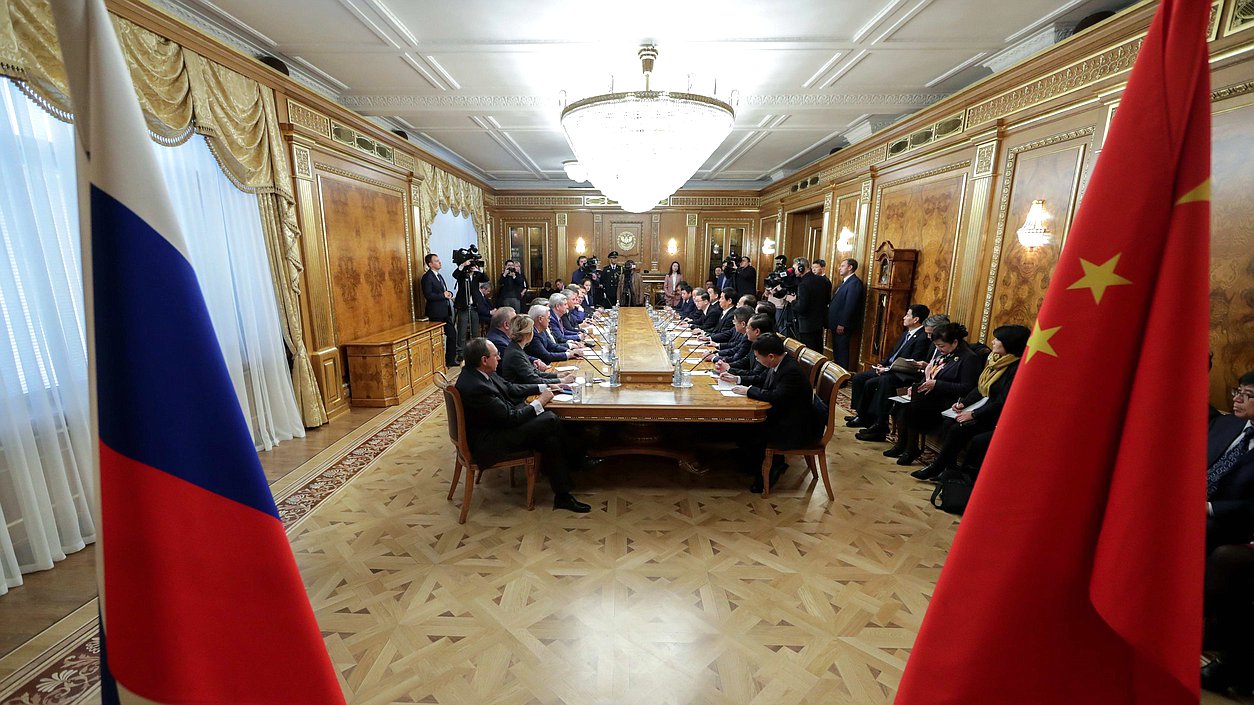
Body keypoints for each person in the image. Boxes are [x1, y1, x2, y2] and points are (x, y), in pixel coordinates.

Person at [454, 338, 599, 513]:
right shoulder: (476, 387)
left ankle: (564, 493)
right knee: (551, 419)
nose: (499, 358)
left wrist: (548, 386)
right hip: (490, 442)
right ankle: (577, 457)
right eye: (496, 355)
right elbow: (511, 418)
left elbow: (511, 388)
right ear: (484, 360)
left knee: (550, 438)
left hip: (499, 426)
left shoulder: (479, 372)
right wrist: (541, 402)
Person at [911, 324, 1030, 481]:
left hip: (996, 415)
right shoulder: (996, 361)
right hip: (982, 407)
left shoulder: (1016, 369)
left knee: (959, 429)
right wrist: (964, 404)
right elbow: (979, 388)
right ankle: (947, 468)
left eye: (997, 339)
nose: (993, 342)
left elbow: (1001, 401)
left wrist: (973, 414)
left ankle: (949, 471)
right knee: (949, 423)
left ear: (1009, 343)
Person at [729, 333, 824, 493]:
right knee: (741, 427)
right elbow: (761, 380)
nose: (757, 360)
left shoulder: (790, 371)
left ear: (771, 356)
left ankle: (771, 469)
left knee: (749, 428)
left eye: (758, 358)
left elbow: (776, 397)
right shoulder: (779, 364)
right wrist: (737, 379)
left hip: (795, 427)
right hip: (786, 416)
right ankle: (753, 462)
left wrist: (749, 391)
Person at [884, 322, 983, 466]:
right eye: (936, 346)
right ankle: (904, 445)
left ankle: (911, 449)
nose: (938, 349)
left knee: (913, 408)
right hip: (933, 395)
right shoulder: (945, 353)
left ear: (955, 342)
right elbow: (931, 373)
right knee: (902, 405)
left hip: (951, 401)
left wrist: (937, 385)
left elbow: (967, 387)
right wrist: (917, 387)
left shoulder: (969, 358)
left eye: (941, 346)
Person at [852, 312, 949, 438]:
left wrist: (925, 367)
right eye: (928, 333)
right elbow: (894, 354)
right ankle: (869, 419)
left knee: (885, 382)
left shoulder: (938, 345)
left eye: (931, 333)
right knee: (869, 381)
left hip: (920, 380)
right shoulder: (931, 342)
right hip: (916, 376)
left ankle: (880, 426)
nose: (929, 337)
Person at [846, 303, 932, 426]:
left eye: (907, 315)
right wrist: (882, 365)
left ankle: (872, 419)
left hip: (900, 373)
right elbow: (893, 354)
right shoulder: (906, 334)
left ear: (916, 319)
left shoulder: (922, 338)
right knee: (859, 378)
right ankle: (861, 414)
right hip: (888, 368)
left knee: (872, 383)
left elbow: (911, 362)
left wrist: (887, 369)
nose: (904, 317)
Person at [1207, 371, 1254, 553]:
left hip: (1228, 520)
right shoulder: (1226, 423)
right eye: (1238, 392)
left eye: (1247, 395)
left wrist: (1209, 508)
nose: (1237, 400)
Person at [501, 316, 575, 386]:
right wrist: (562, 380)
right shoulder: (515, 353)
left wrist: (558, 375)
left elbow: (534, 373)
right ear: (528, 334)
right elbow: (534, 379)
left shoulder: (516, 347)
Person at [786, 256, 831, 352]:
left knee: (808, 354)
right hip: (819, 323)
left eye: (795, 268)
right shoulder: (823, 280)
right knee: (818, 351)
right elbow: (827, 300)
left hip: (806, 325)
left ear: (802, 267)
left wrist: (792, 300)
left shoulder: (803, 284)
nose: (794, 271)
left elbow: (801, 307)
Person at [827, 258, 865, 369]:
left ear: (850, 267)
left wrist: (843, 323)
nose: (839, 268)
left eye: (842, 266)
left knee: (842, 351)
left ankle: (841, 378)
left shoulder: (854, 283)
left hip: (842, 325)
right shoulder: (845, 282)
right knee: (837, 351)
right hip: (836, 324)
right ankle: (837, 376)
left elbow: (850, 306)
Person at [421, 253, 458, 367]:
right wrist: (443, 295)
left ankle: (450, 360)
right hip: (436, 313)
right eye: (436, 261)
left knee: (452, 334)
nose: (439, 262)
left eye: (439, 260)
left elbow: (444, 291)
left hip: (445, 311)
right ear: (430, 264)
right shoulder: (427, 277)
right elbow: (428, 295)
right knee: (438, 338)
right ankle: (438, 362)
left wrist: (449, 294)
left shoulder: (439, 276)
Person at [452, 258, 486, 364]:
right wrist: (463, 265)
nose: (472, 266)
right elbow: (455, 275)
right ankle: (460, 354)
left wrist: (479, 269)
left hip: (474, 306)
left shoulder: (476, 275)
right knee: (462, 331)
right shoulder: (462, 274)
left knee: (475, 330)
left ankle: (476, 352)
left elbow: (486, 278)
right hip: (463, 306)